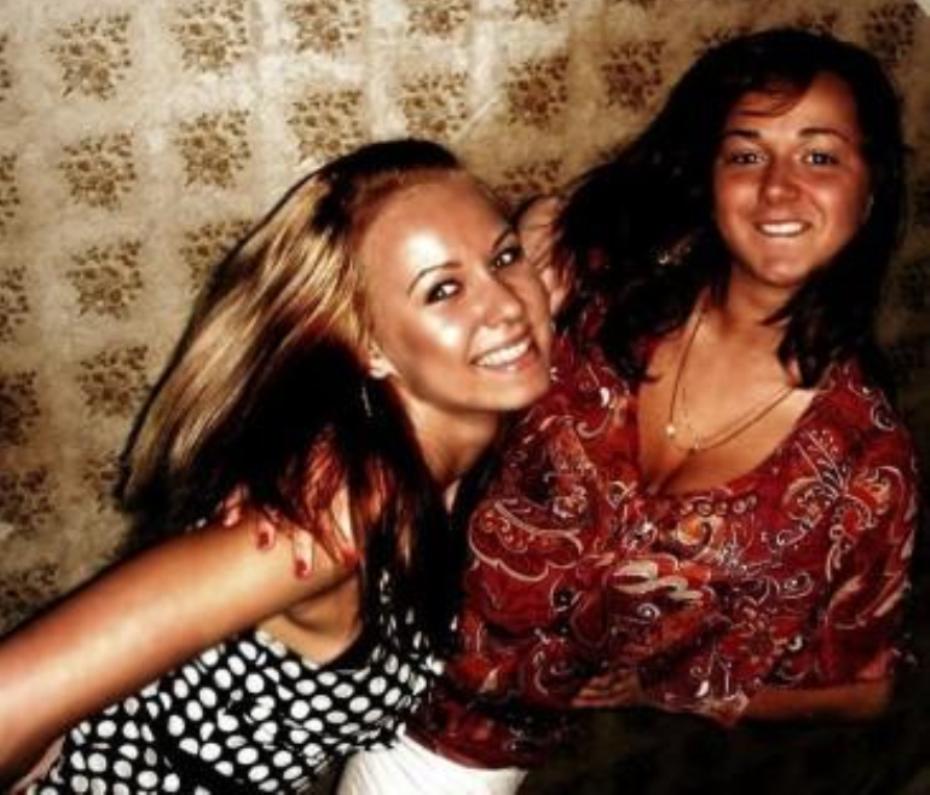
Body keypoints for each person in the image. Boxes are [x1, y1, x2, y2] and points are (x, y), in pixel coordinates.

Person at [337, 28, 919, 793]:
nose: (778, 189)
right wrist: (529, 252)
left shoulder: (867, 465)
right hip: (346, 616)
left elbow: (864, 689)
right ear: (712, 179)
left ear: (869, 190)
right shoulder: (603, 284)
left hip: (455, 747)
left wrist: (668, 688)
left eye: (819, 156)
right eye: (746, 155)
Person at [0, 138, 556, 793]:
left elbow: (559, 224)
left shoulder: (451, 437)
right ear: (366, 343)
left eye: (503, 257)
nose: (507, 305)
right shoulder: (329, 521)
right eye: (443, 289)